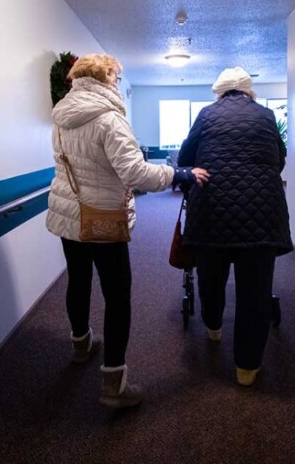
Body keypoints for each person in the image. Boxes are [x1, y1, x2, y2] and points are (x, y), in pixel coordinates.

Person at [46, 53, 209, 408]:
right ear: (106, 78)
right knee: (117, 296)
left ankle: (81, 344)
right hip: (102, 215)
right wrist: (180, 175)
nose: (117, 84)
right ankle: (114, 385)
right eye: (116, 78)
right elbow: (136, 175)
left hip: (67, 214)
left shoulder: (60, 117)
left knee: (78, 279)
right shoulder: (108, 119)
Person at [178, 67, 292, 386]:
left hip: (212, 212)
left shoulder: (206, 114)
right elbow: (279, 159)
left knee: (211, 278)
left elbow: (186, 158)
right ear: (248, 91)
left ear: (220, 91)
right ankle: (247, 369)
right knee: (255, 293)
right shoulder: (267, 116)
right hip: (262, 216)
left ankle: (214, 328)